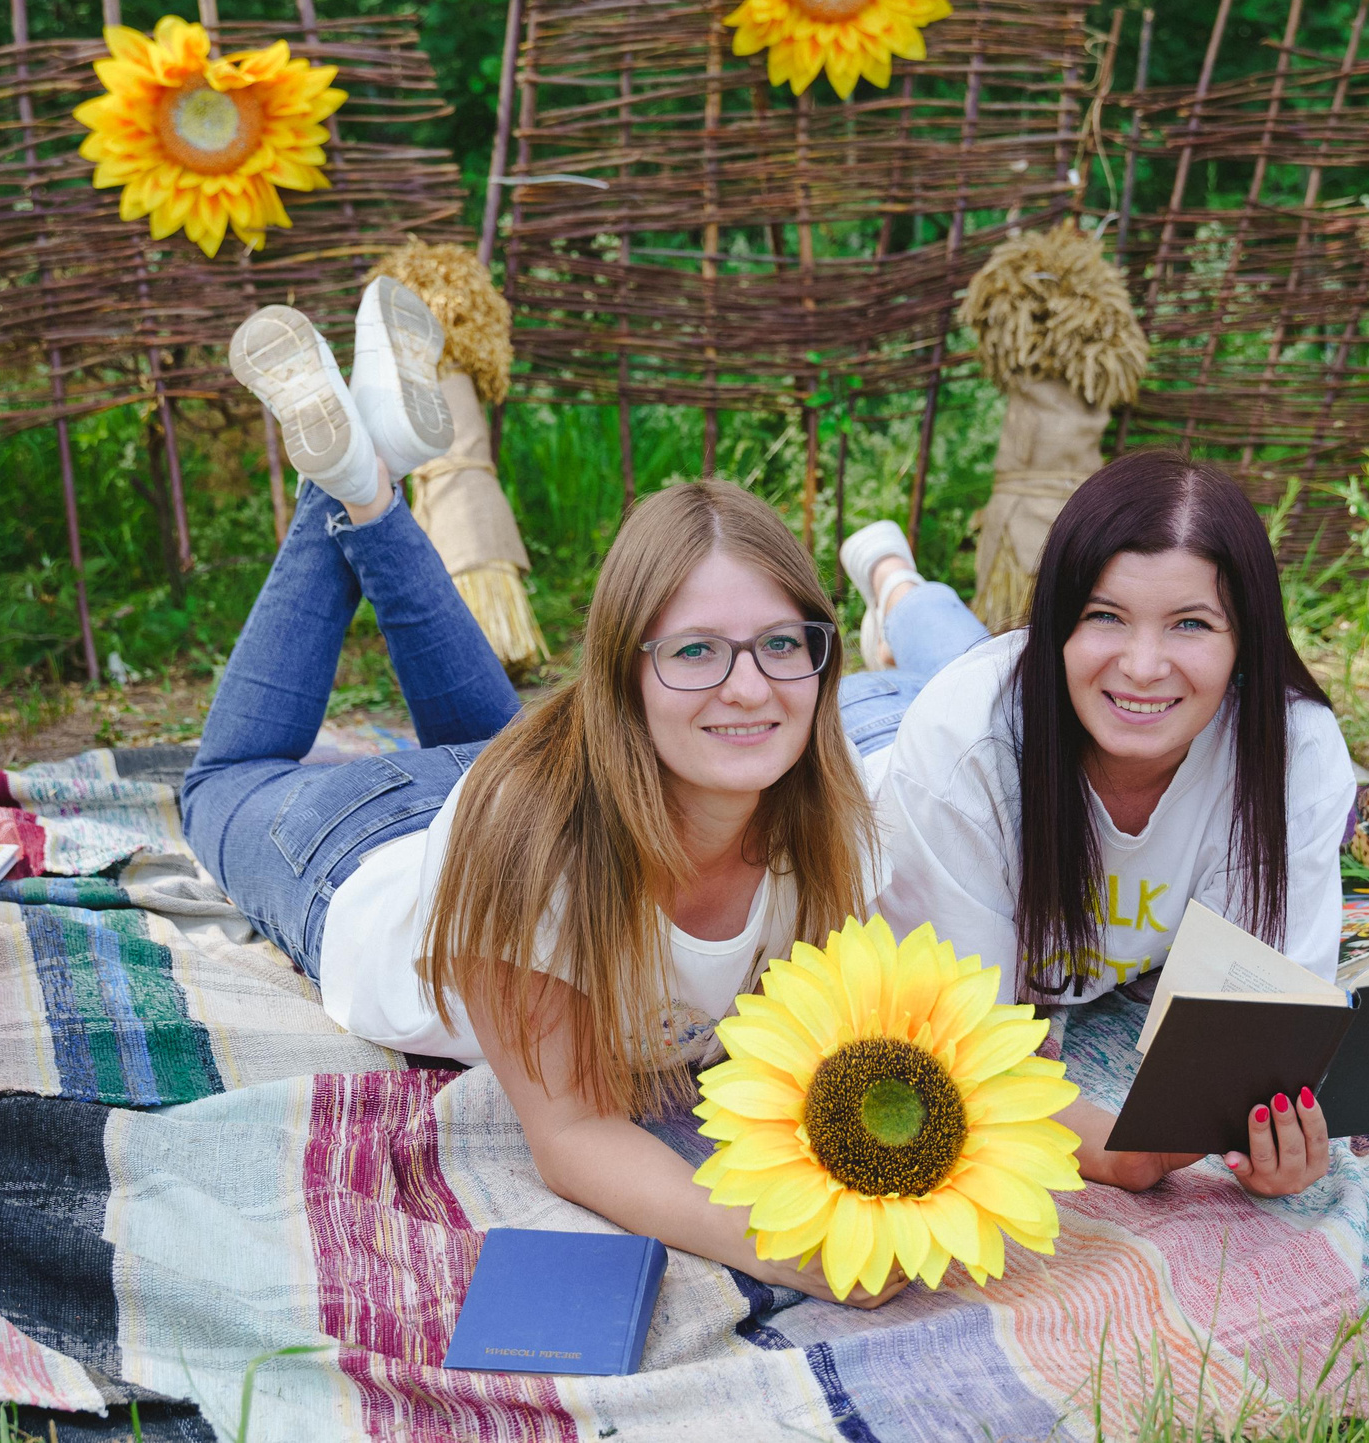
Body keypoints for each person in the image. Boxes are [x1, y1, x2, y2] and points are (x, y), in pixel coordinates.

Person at [182, 280, 905, 1305]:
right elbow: (570, 1135)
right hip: (356, 850)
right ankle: (336, 484)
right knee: (216, 786)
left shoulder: (834, 821)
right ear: (623, 672)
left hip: (525, 783)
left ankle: (368, 476)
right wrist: (785, 1247)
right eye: (696, 650)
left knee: (501, 746)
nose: (750, 686)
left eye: (781, 644)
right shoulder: (530, 835)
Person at [860, 451, 1353, 1199]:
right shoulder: (959, 748)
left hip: (1040, 697)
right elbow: (953, 1055)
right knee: (952, 674)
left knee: (982, 657)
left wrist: (1271, 1139)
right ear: (1059, 622)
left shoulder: (1291, 753)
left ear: (1246, 641)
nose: (1146, 663)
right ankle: (891, 577)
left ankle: (902, 593)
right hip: (873, 737)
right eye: (1103, 614)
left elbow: (1271, 1026)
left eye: (1191, 622)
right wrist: (1121, 1154)